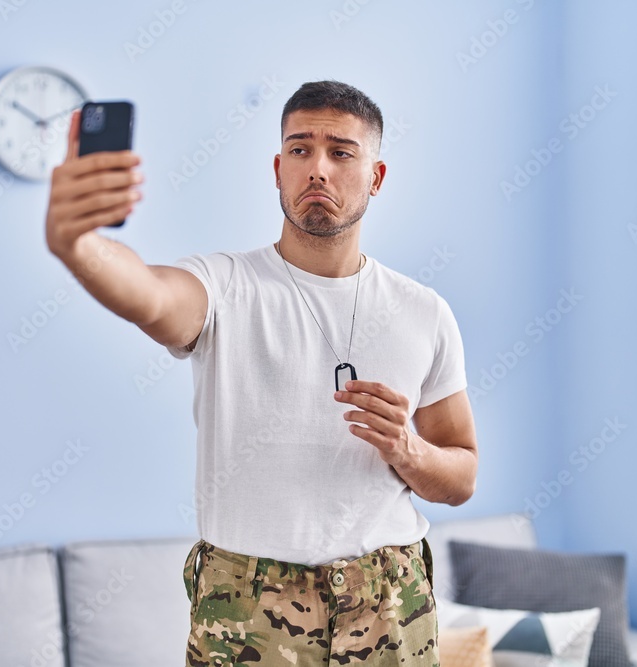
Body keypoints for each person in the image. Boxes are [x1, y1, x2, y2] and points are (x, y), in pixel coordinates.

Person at [45, 80, 478, 666]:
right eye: (300, 150)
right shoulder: (224, 285)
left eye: (341, 152)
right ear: (278, 169)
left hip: (390, 599)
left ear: (376, 177)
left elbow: (461, 475)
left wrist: (408, 450)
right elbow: (148, 294)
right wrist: (77, 245)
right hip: (248, 610)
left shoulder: (423, 311)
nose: (317, 169)